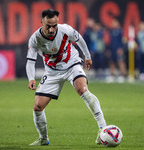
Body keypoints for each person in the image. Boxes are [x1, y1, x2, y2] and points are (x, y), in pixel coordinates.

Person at [26, 9, 107, 146]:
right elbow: (30, 60)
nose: (51, 29)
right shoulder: (35, 39)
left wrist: (87, 57)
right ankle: (43, 138)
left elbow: (79, 39)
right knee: (37, 107)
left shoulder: (65, 30)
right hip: (52, 72)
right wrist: (31, 78)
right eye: (48, 26)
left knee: (83, 90)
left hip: (71, 64)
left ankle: (103, 129)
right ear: (41, 22)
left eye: (54, 26)